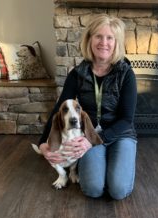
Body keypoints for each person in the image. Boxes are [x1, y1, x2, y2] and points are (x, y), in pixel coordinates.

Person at [38, 14, 137, 200]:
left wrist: (93, 141)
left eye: (110, 38)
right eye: (98, 36)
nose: (104, 42)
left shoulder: (126, 74)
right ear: (89, 39)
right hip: (89, 135)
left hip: (119, 135)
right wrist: (43, 143)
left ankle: (121, 158)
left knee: (118, 190)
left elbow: (127, 120)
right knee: (92, 189)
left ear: (117, 43)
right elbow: (59, 109)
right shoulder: (77, 74)